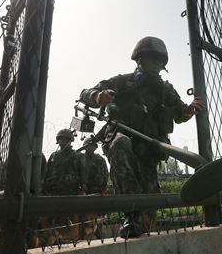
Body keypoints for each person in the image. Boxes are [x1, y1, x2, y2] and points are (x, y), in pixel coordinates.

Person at [79, 36, 205, 238]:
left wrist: (190, 110)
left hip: (149, 152)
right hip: (124, 147)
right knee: (120, 143)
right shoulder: (122, 82)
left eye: (160, 60)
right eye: (152, 58)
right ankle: (131, 213)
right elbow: (86, 92)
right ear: (139, 59)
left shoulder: (165, 90)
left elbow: (180, 113)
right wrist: (98, 96)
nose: (157, 64)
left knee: (149, 210)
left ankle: (140, 223)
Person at [40, 128, 85, 244]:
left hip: (71, 195)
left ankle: (71, 240)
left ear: (70, 140)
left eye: (65, 138)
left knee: (71, 223)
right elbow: (46, 174)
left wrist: (83, 190)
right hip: (54, 195)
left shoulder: (77, 156)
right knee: (53, 223)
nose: (62, 141)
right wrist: (44, 189)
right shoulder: (54, 156)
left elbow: (83, 175)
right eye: (60, 138)